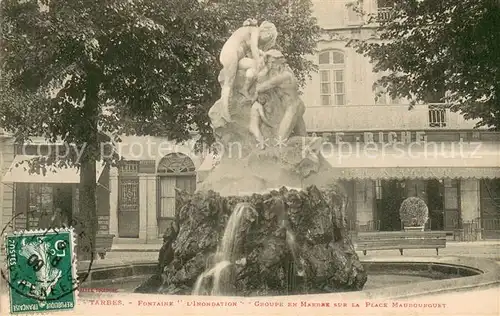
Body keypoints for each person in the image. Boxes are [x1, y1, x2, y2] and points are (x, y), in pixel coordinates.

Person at [218, 19, 278, 123]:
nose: (263, 42)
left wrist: (262, 56)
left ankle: (244, 89)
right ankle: (224, 112)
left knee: (255, 66)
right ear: (267, 33)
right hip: (230, 53)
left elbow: (253, 49)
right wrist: (259, 59)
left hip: (238, 57)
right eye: (267, 39)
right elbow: (254, 48)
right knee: (229, 83)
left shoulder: (252, 31)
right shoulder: (254, 30)